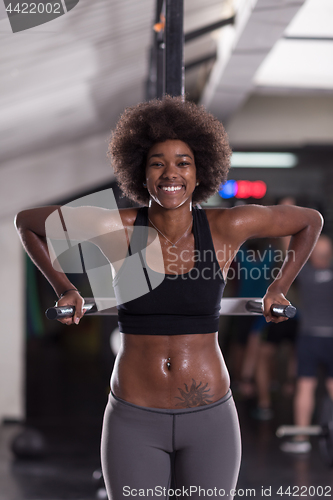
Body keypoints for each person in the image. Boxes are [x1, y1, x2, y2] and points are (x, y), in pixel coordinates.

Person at [15, 95, 323, 499]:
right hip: (134, 417)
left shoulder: (228, 225)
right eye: (157, 163)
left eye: (183, 162)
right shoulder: (117, 228)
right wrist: (65, 288)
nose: (170, 172)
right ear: (141, 174)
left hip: (209, 416)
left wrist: (278, 286)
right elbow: (28, 223)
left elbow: (309, 222)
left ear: (199, 174)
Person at [281, 234, 333, 454]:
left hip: (310, 337)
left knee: (305, 387)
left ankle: (301, 438)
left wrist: (286, 214)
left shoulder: (306, 272)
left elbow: (289, 251)